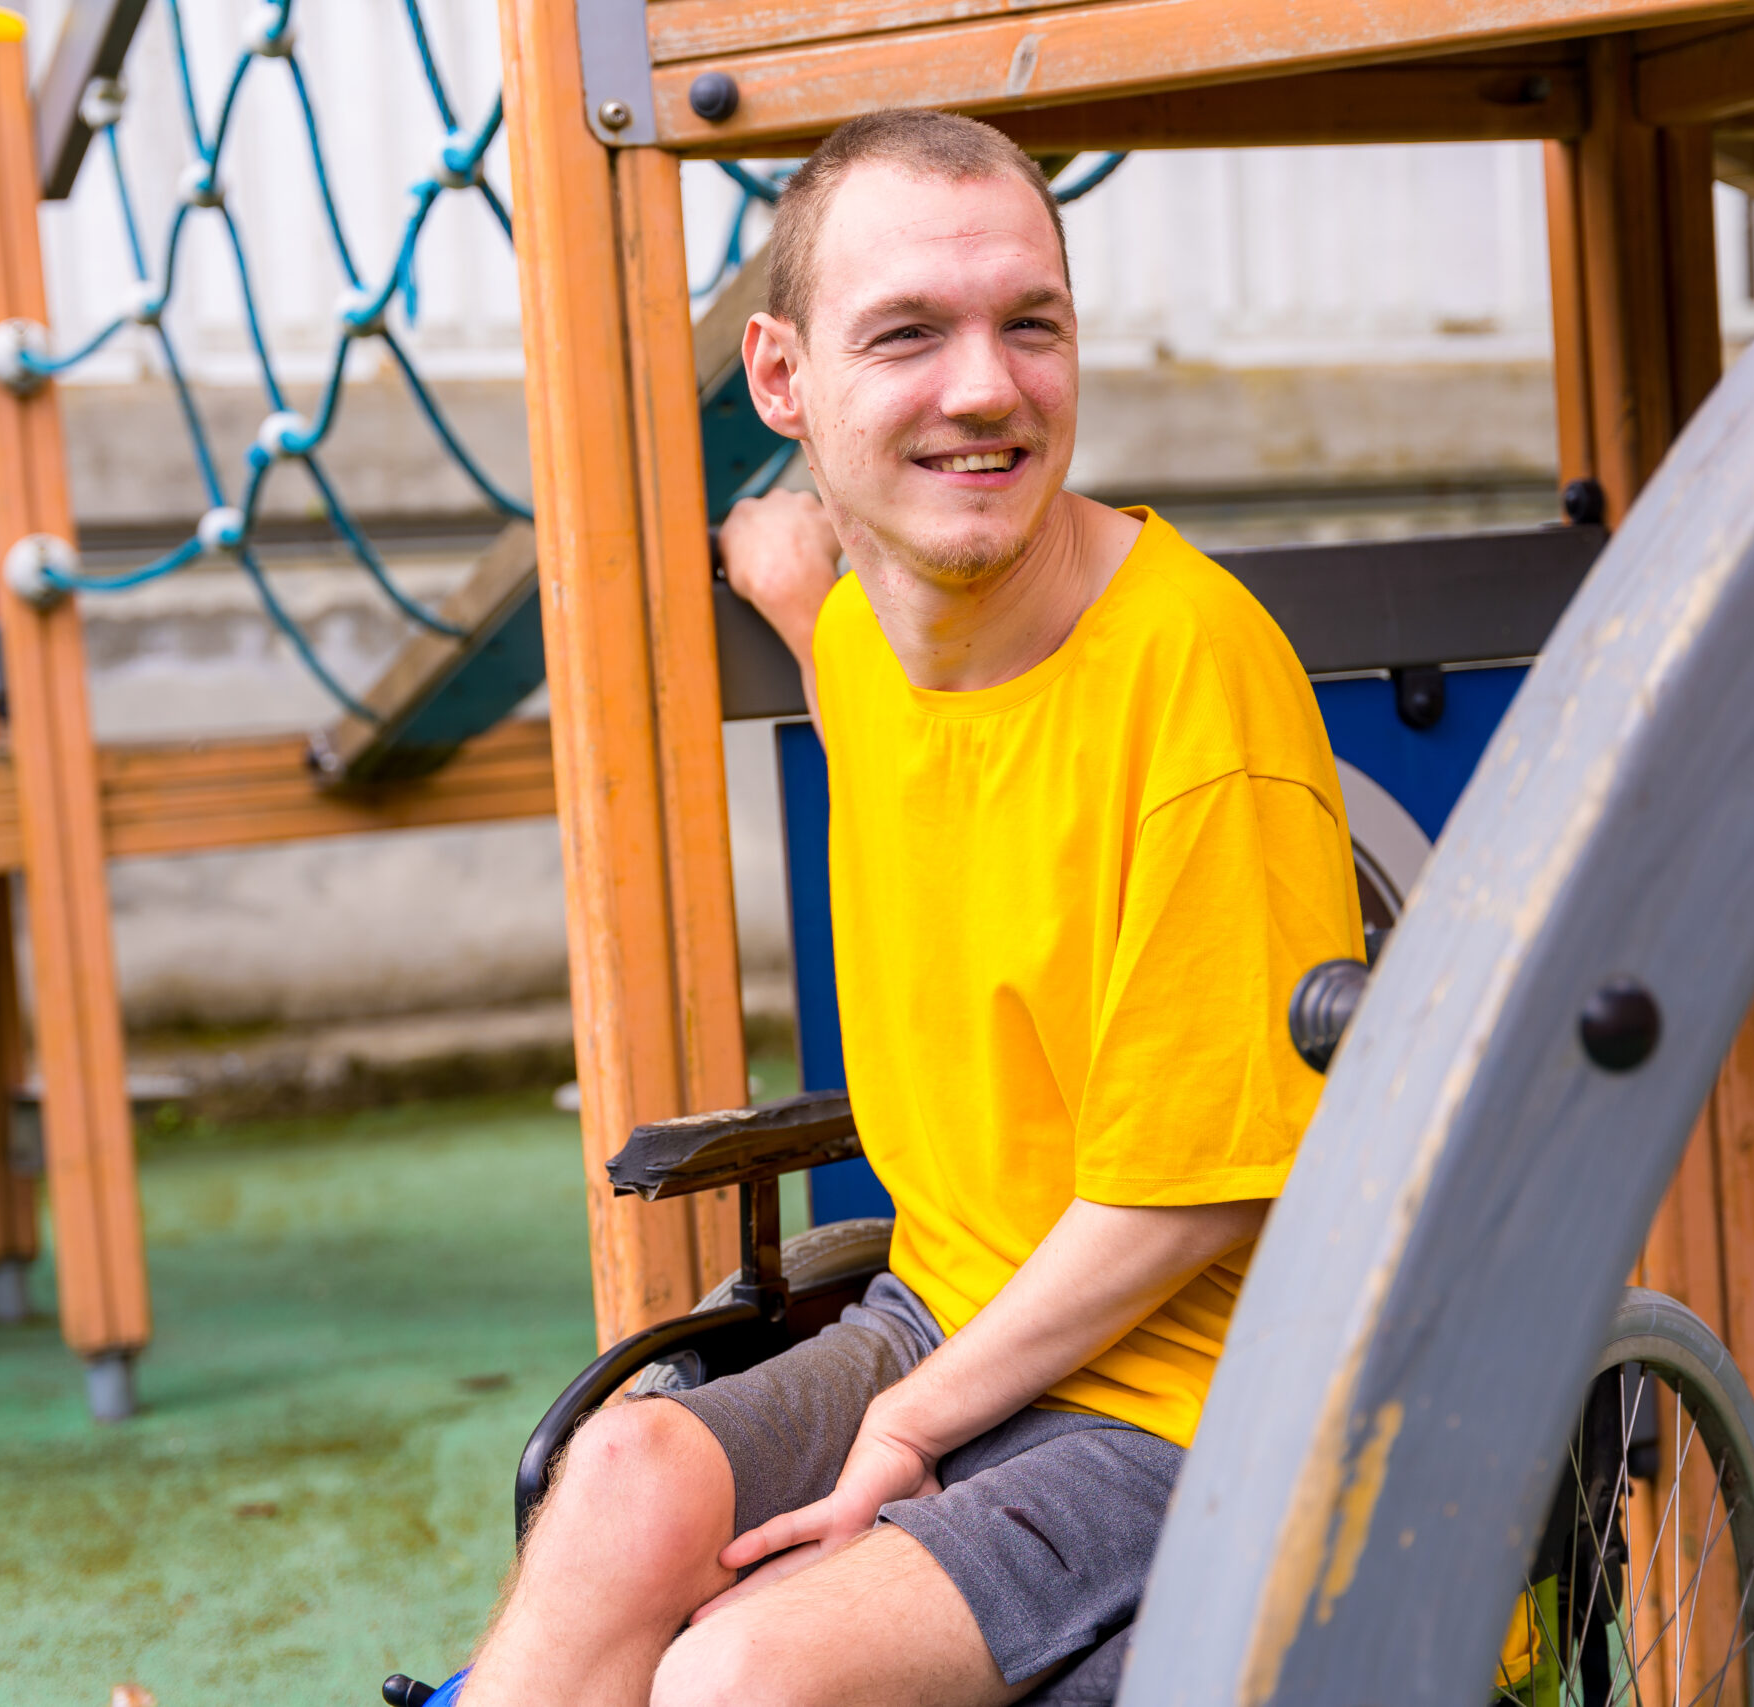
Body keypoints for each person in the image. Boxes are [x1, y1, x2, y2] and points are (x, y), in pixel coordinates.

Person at [459, 109, 1362, 1707]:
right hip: (952, 1309)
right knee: (617, 1479)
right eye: (908, 336)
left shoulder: (1197, 689)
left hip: (1201, 1407)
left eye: (1032, 325)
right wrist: (796, 575)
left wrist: (915, 1420)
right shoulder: (878, 639)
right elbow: (879, 668)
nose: (984, 388)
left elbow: (1195, 1197)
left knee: (740, 1677)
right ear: (782, 383)